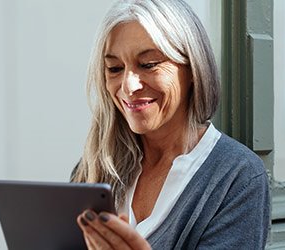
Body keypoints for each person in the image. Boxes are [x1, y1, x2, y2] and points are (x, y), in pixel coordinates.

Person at [71, 0, 270, 249]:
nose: (128, 86)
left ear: (192, 69)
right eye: (114, 68)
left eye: (149, 64)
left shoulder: (237, 177)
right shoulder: (95, 167)